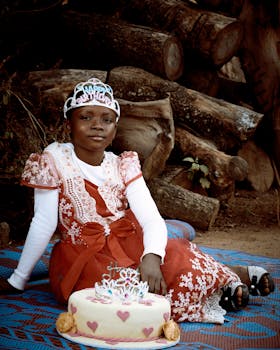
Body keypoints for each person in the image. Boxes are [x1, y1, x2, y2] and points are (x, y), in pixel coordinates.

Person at [0, 78, 274, 324]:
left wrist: (151, 257)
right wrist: (18, 279)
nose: (97, 125)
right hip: (82, 257)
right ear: (68, 123)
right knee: (122, 290)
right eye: (86, 117)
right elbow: (44, 221)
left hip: (129, 242)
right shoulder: (53, 160)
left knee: (175, 255)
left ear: (115, 128)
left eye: (107, 119)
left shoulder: (122, 164)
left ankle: (229, 277)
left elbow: (151, 218)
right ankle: (216, 291)